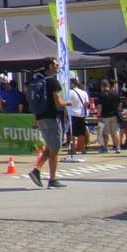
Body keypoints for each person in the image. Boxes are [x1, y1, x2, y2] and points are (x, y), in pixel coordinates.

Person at [29, 58, 67, 189]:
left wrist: (35, 120)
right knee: (55, 149)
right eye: (56, 65)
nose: (58, 67)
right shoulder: (52, 82)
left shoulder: (39, 81)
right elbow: (58, 103)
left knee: (50, 147)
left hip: (41, 118)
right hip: (52, 117)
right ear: (50, 66)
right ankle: (52, 179)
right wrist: (68, 102)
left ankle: (36, 170)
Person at [96, 78, 122, 154]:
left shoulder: (101, 95)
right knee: (115, 132)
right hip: (114, 115)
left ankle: (105, 148)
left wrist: (98, 115)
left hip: (104, 116)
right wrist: (118, 110)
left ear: (102, 86)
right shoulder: (115, 93)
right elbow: (120, 104)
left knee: (105, 133)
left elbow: (99, 106)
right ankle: (117, 147)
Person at [67, 78, 90, 155]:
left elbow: (67, 103)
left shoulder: (70, 92)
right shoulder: (84, 92)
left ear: (73, 84)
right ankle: (83, 148)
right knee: (81, 133)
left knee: (72, 133)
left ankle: (73, 149)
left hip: (73, 114)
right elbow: (87, 103)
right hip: (81, 114)